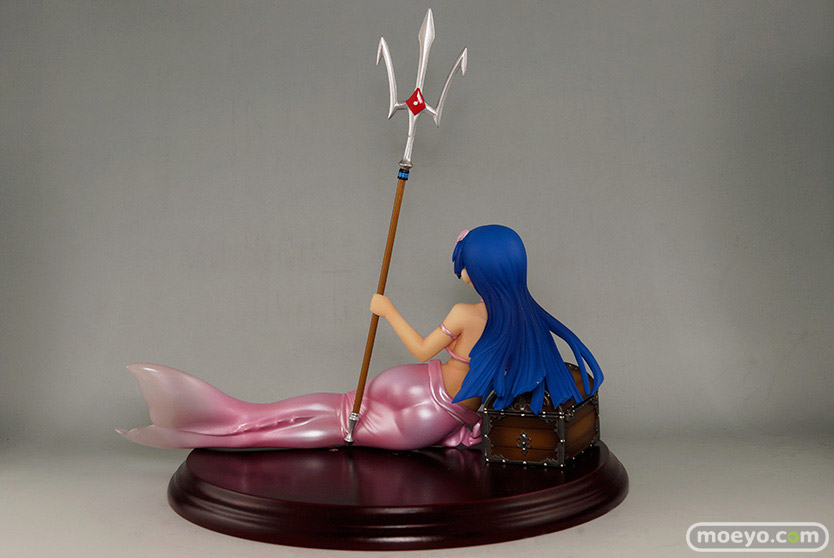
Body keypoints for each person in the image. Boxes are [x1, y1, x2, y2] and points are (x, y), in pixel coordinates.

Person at [117, 225, 602, 450]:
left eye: (467, 267)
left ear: (480, 272)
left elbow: (421, 349)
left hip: (423, 394)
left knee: (339, 416)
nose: (463, 275)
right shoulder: (527, 325)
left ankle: (222, 425)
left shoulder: (465, 314)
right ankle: (225, 422)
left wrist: (387, 311)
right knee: (339, 418)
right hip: (434, 404)